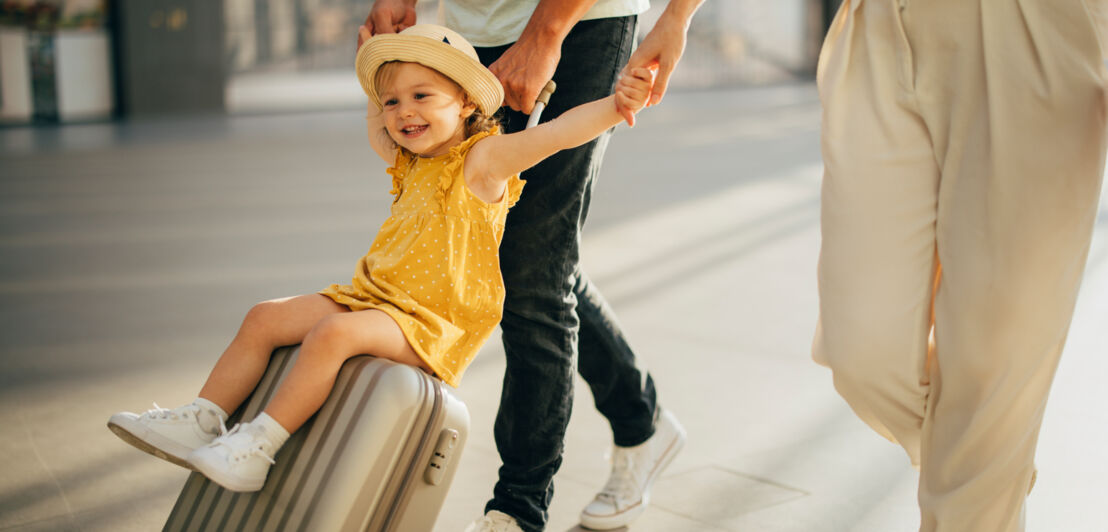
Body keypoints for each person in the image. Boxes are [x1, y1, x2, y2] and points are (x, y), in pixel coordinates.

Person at [106, 23, 657, 494]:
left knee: (331, 338)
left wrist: (616, 104)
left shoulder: (484, 162)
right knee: (264, 317)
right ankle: (203, 419)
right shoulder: (407, 160)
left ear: (466, 103)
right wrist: (375, 64)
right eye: (393, 101)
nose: (402, 113)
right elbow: (378, 115)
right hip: (371, 299)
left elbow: (558, 134)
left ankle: (257, 446)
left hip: (431, 322)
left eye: (423, 97)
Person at [363, 1, 704, 530]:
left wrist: (552, 33)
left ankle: (518, 506)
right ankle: (641, 420)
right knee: (513, 251)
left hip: (579, 22)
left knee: (534, 274)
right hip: (472, 33)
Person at [812, 1, 1107, 530]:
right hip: (878, 21)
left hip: (1034, 29)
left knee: (991, 375)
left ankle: (987, 475)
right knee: (863, 357)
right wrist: (680, 16)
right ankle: (993, 462)